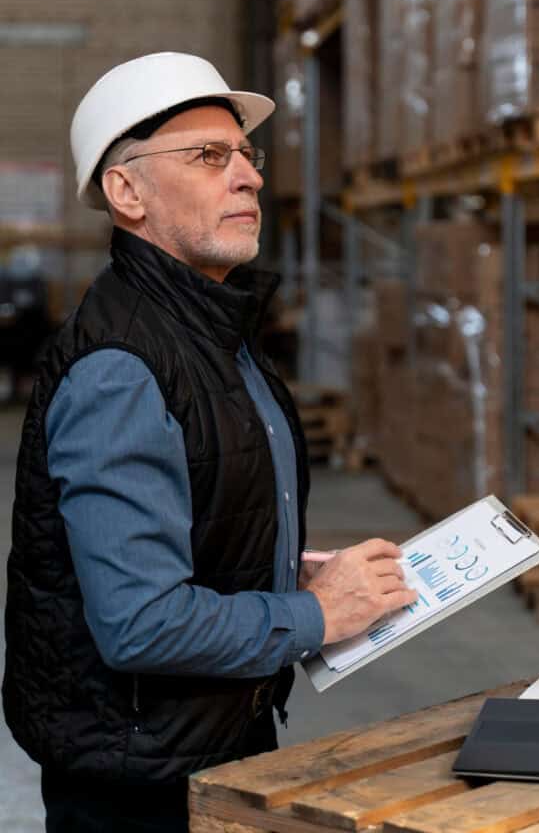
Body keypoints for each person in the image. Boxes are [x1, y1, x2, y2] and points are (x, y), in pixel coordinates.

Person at [2, 52, 417, 833]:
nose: (249, 177)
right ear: (126, 192)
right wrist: (313, 614)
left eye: (246, 155)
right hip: (138, 777)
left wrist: (274, 569)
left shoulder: (216, 331)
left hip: (214, 736)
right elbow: (141, 622)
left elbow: (194, 505)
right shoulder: (121, 367)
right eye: (207, 155)